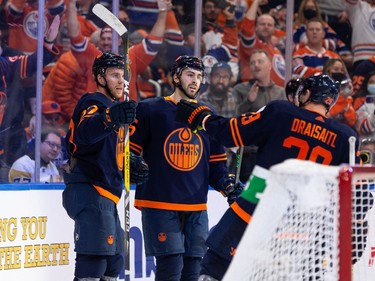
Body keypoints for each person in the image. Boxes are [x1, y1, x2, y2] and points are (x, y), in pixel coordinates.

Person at [175, 74, 360, 280]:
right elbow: (354, 193)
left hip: (254, 210)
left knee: (212, 272)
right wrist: (356, 230)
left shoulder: (282, 112)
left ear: (307, 94)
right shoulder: (346, 138)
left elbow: (231, 133)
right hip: (300, 226)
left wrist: (203, 117)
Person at [129, 55, 243, 281]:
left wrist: (228, 185)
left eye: (200, 76)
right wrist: (130, 163)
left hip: (196, 206)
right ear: (176, 76)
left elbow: (217, 167)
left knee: (193, 272)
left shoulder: (207, 116)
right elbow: (129, 152)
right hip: (160, 203)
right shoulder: (151, 110)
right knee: (170, 269)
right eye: (190, 74)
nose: (195, 81)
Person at [62, 52, 149, 281]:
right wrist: (110, 118)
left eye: (123, 76)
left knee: (113, 263)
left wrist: (127, 163)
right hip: (89, 189)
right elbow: (84, 134)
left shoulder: (115, 111)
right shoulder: (93, 102)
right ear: (100, 78)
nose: (121, 81)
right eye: (114, 75)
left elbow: (107, 151)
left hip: (106, 194)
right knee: (95, 261)